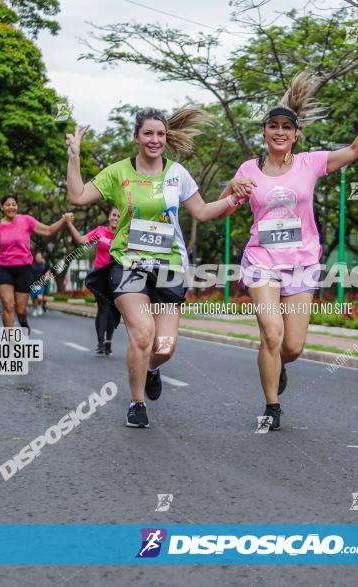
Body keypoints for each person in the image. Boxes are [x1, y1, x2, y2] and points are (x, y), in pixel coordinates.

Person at [65, 108, 253, 428]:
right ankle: (137, 403)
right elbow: (77, 196)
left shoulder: (177, 173)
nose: (155, 140)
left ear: (166, 139)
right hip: (128, 263)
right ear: (136, 137)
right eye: (148, 134)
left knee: (165, 347)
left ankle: (152, 367)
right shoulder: (118, 172)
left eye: (160, 134)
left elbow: (205, 212)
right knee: (142, 333)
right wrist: (74, 156)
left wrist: (234, 196)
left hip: (169, 266)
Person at [232, 73, 358, 430]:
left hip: (302, 263)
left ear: (296, 133)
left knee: (293, 347)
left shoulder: (309, 162)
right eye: (274, 126)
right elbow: (228, 200)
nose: (280, 132)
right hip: (261, 261)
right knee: (272, 333)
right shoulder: (248, 168)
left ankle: (279, 364)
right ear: (265, 132)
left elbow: (354, 151)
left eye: (287, 127)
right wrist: (230, 187)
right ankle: (272, 407)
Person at [0, 195, 72, 329]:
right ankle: (11, 343)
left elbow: (48, 230)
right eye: (8, 205)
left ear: (17, 206)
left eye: (14, 204)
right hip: (4, 269)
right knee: (7, 305)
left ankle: (24, 324)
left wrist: (63, 220)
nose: (11, 207)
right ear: (2, 207)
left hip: (24, 269)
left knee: (21, 311)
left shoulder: (26, 220)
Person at [65, 207, 122, 355]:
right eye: (114, 215)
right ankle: (100, 342)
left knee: (113, 310)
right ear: (109, 217)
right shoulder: (100, 231)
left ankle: (108, 341)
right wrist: (69, 224)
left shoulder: (125, 234)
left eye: (119, 216)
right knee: (103, 308)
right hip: (99, 276)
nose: (116, 218)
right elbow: (82, 240)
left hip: (116, 277)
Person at [30, 252, 49, 317]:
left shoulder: (44, 264)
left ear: (41, 257)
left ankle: (40, 306)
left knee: (40, 298)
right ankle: (35, 309)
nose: (38, 257)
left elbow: (47, 271)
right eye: (37, 256)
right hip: (33, 284)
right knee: (34, 299)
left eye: (39, 256)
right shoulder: (32, 264)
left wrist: (46, 276)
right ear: (35, 257)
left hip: (41, 284)